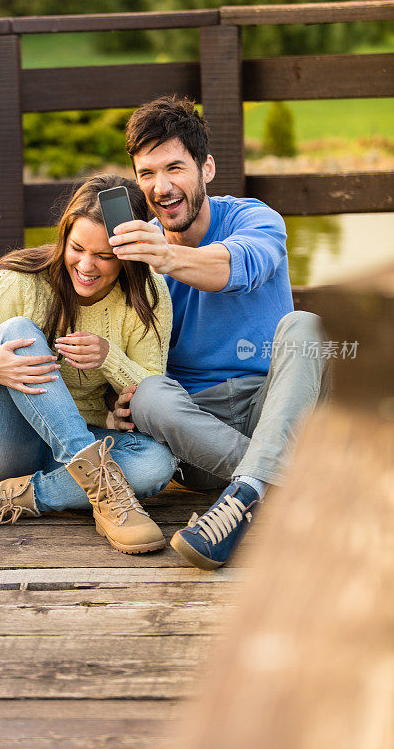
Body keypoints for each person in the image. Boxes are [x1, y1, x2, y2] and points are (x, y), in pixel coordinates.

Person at [107, 95, 330, 570]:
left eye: (174, 168)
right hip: (197, 439)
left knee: (305, 326)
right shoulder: (135, 249)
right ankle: (277, 480)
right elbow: (116, 340)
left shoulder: (256, 219)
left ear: (206, 168)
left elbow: (239, 266)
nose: (161, 187)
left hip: (275, 407)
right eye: (146, 174)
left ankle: (247, 494)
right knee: (147, 396)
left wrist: (167, 258)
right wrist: (113, 402)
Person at [0, 174, 177, 555]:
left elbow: (155, 390)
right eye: (77, 248)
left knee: (156, 463)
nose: (87, 266)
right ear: (63, 237)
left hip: (74, 441)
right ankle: (103, 486)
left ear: (127, 254)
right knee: (18, 330)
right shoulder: (18, 280)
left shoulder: (148, 295)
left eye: (104, 256)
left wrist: (110, 360)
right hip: (3, 442)